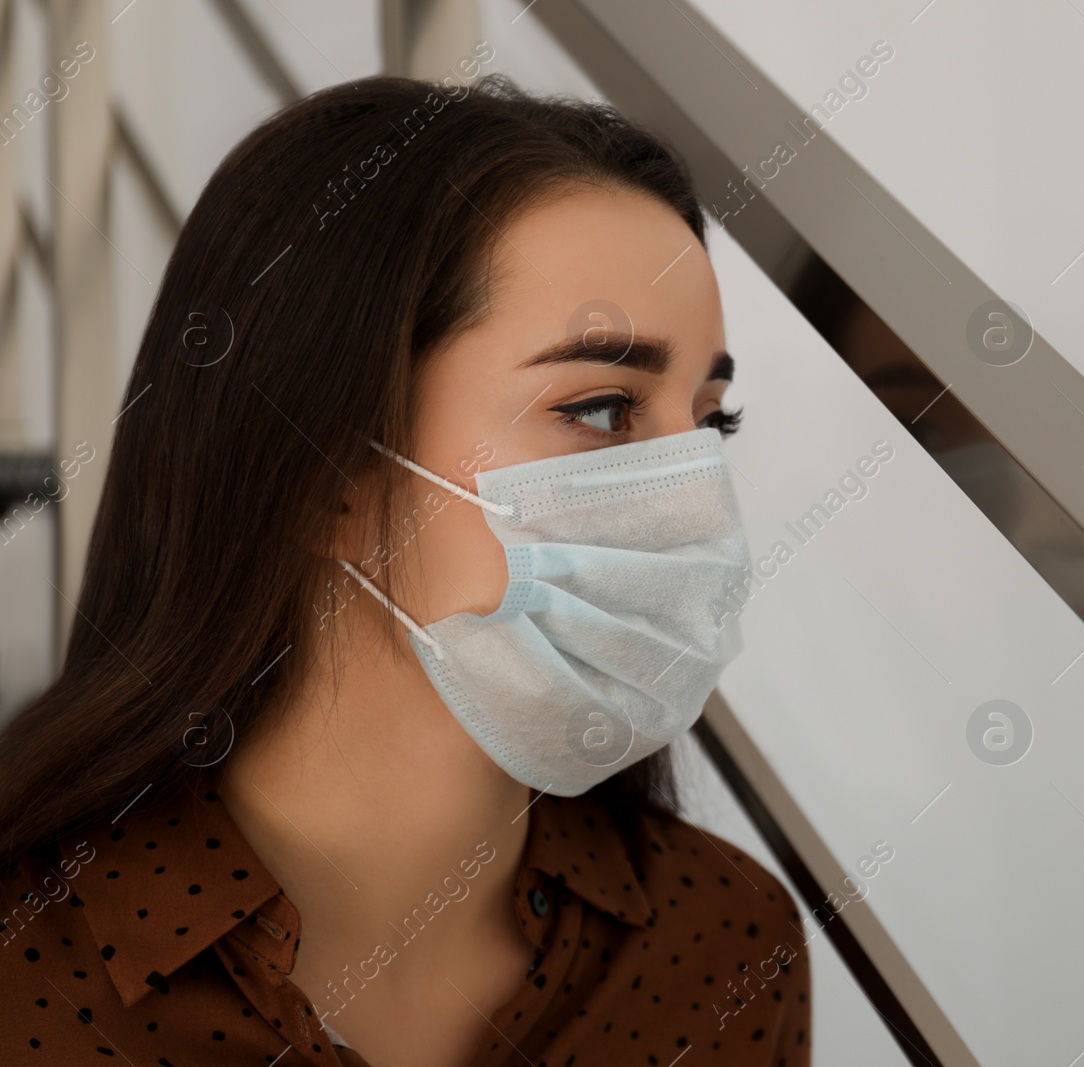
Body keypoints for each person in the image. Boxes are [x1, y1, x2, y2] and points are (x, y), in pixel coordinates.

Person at [0, 73, 809, 1067]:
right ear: (326, 471)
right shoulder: (28, 963)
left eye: (709, 421)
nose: (693, 494)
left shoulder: (725, 942)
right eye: (602, 408)